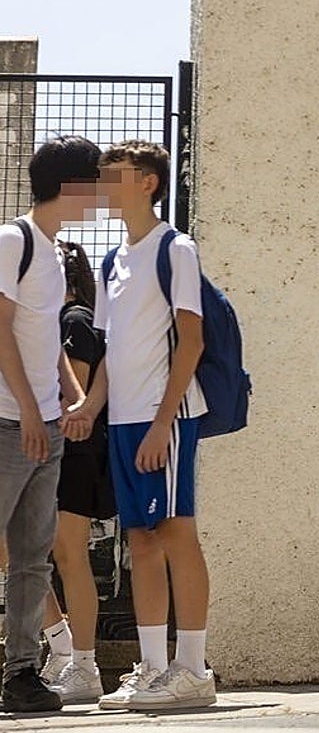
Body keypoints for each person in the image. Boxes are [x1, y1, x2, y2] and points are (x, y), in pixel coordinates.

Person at [61, 140, 216, 710]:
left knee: (176, 533)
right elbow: (111, 353)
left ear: (148, 182)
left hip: (164, 417)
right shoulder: (111, 262)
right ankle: (153, 669)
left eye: (115, 175)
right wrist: (88, 408)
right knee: (141, 541)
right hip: (124, 421)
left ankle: (194, 670)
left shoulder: (174, 248)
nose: (104, 186)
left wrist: (160, 424)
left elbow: (192, 342)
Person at [0, 136, 94, 714]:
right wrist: (31, 412)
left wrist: (73, 395)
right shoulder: (14, 241)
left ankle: (20, 674)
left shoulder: (56, 253)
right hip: (9, 423)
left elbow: (45, 339)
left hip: (46, 425)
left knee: (33, 556)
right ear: (73, 187)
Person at [36, 241, 114, 704]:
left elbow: (75, 396)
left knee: (70, 557)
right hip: (50, 453)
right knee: (20, 551)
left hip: (74, 454)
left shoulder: (75, 319)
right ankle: (63, 648)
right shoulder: (51, 323)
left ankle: (83, 665)